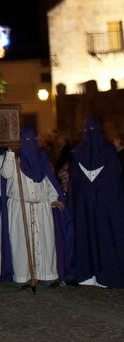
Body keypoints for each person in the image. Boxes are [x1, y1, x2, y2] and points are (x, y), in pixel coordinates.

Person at [0, 127, 75, 286]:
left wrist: (53, 198)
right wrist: (10, 154)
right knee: (20, 243)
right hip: (20, 206)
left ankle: (47, 275)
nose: (30, 144)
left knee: (45, 243)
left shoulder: (41, 158)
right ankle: (23, 277)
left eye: (32, 140)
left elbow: (48, 181)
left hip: (41, 207)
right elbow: (5, 175)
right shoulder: (12, 159)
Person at [69, 117, 124, 288]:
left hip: (100, 203)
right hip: (90, 203)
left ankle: (104, 272)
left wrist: (91, 191)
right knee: (88, 235)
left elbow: (113, 177)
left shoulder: (106, 151)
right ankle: (88, 273)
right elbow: (75, 179)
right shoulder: (79, 151)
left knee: (103, 234)